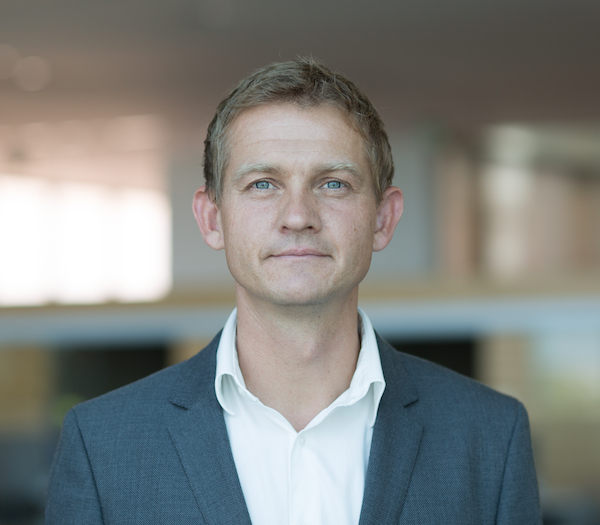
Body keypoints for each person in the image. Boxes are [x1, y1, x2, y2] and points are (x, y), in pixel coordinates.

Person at [45, 57, 542, 524]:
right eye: (263, 184)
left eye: (333, 184)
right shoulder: (102, 445)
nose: (298, 216)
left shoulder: (490, 436)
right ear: (212, 218)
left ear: (383, 219)